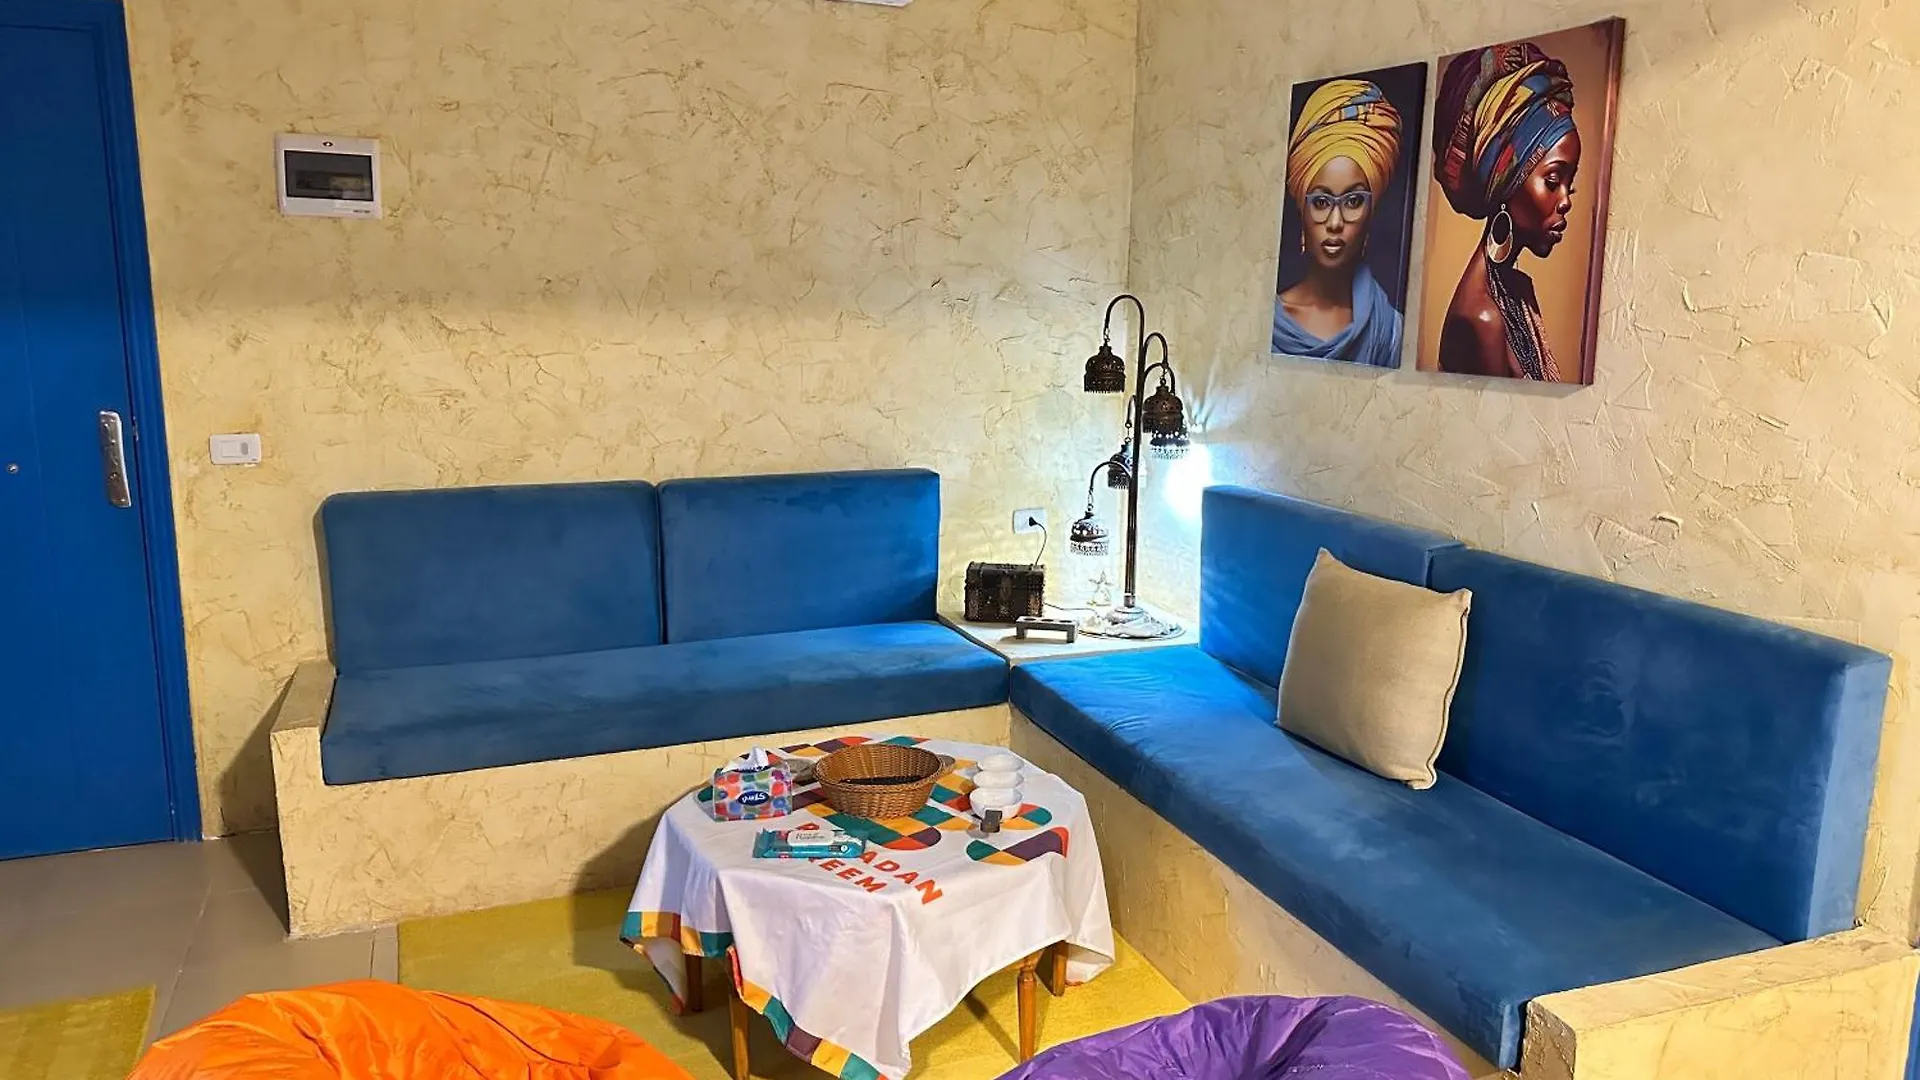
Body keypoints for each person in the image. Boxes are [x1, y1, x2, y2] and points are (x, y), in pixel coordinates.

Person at [1429, 42, 1582, 380]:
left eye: (1570, 184)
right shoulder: (1483, 318)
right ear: (1505, 183)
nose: (1566, 200)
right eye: (1553, 180)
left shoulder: (1514, 290)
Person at [1272, 79, 1405, 369]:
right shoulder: (1267, 322)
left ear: (1371, 211)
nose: (1335, 222)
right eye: (1321, 202)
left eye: (1353, 201)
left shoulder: (1391, 332)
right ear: (1303, 209)